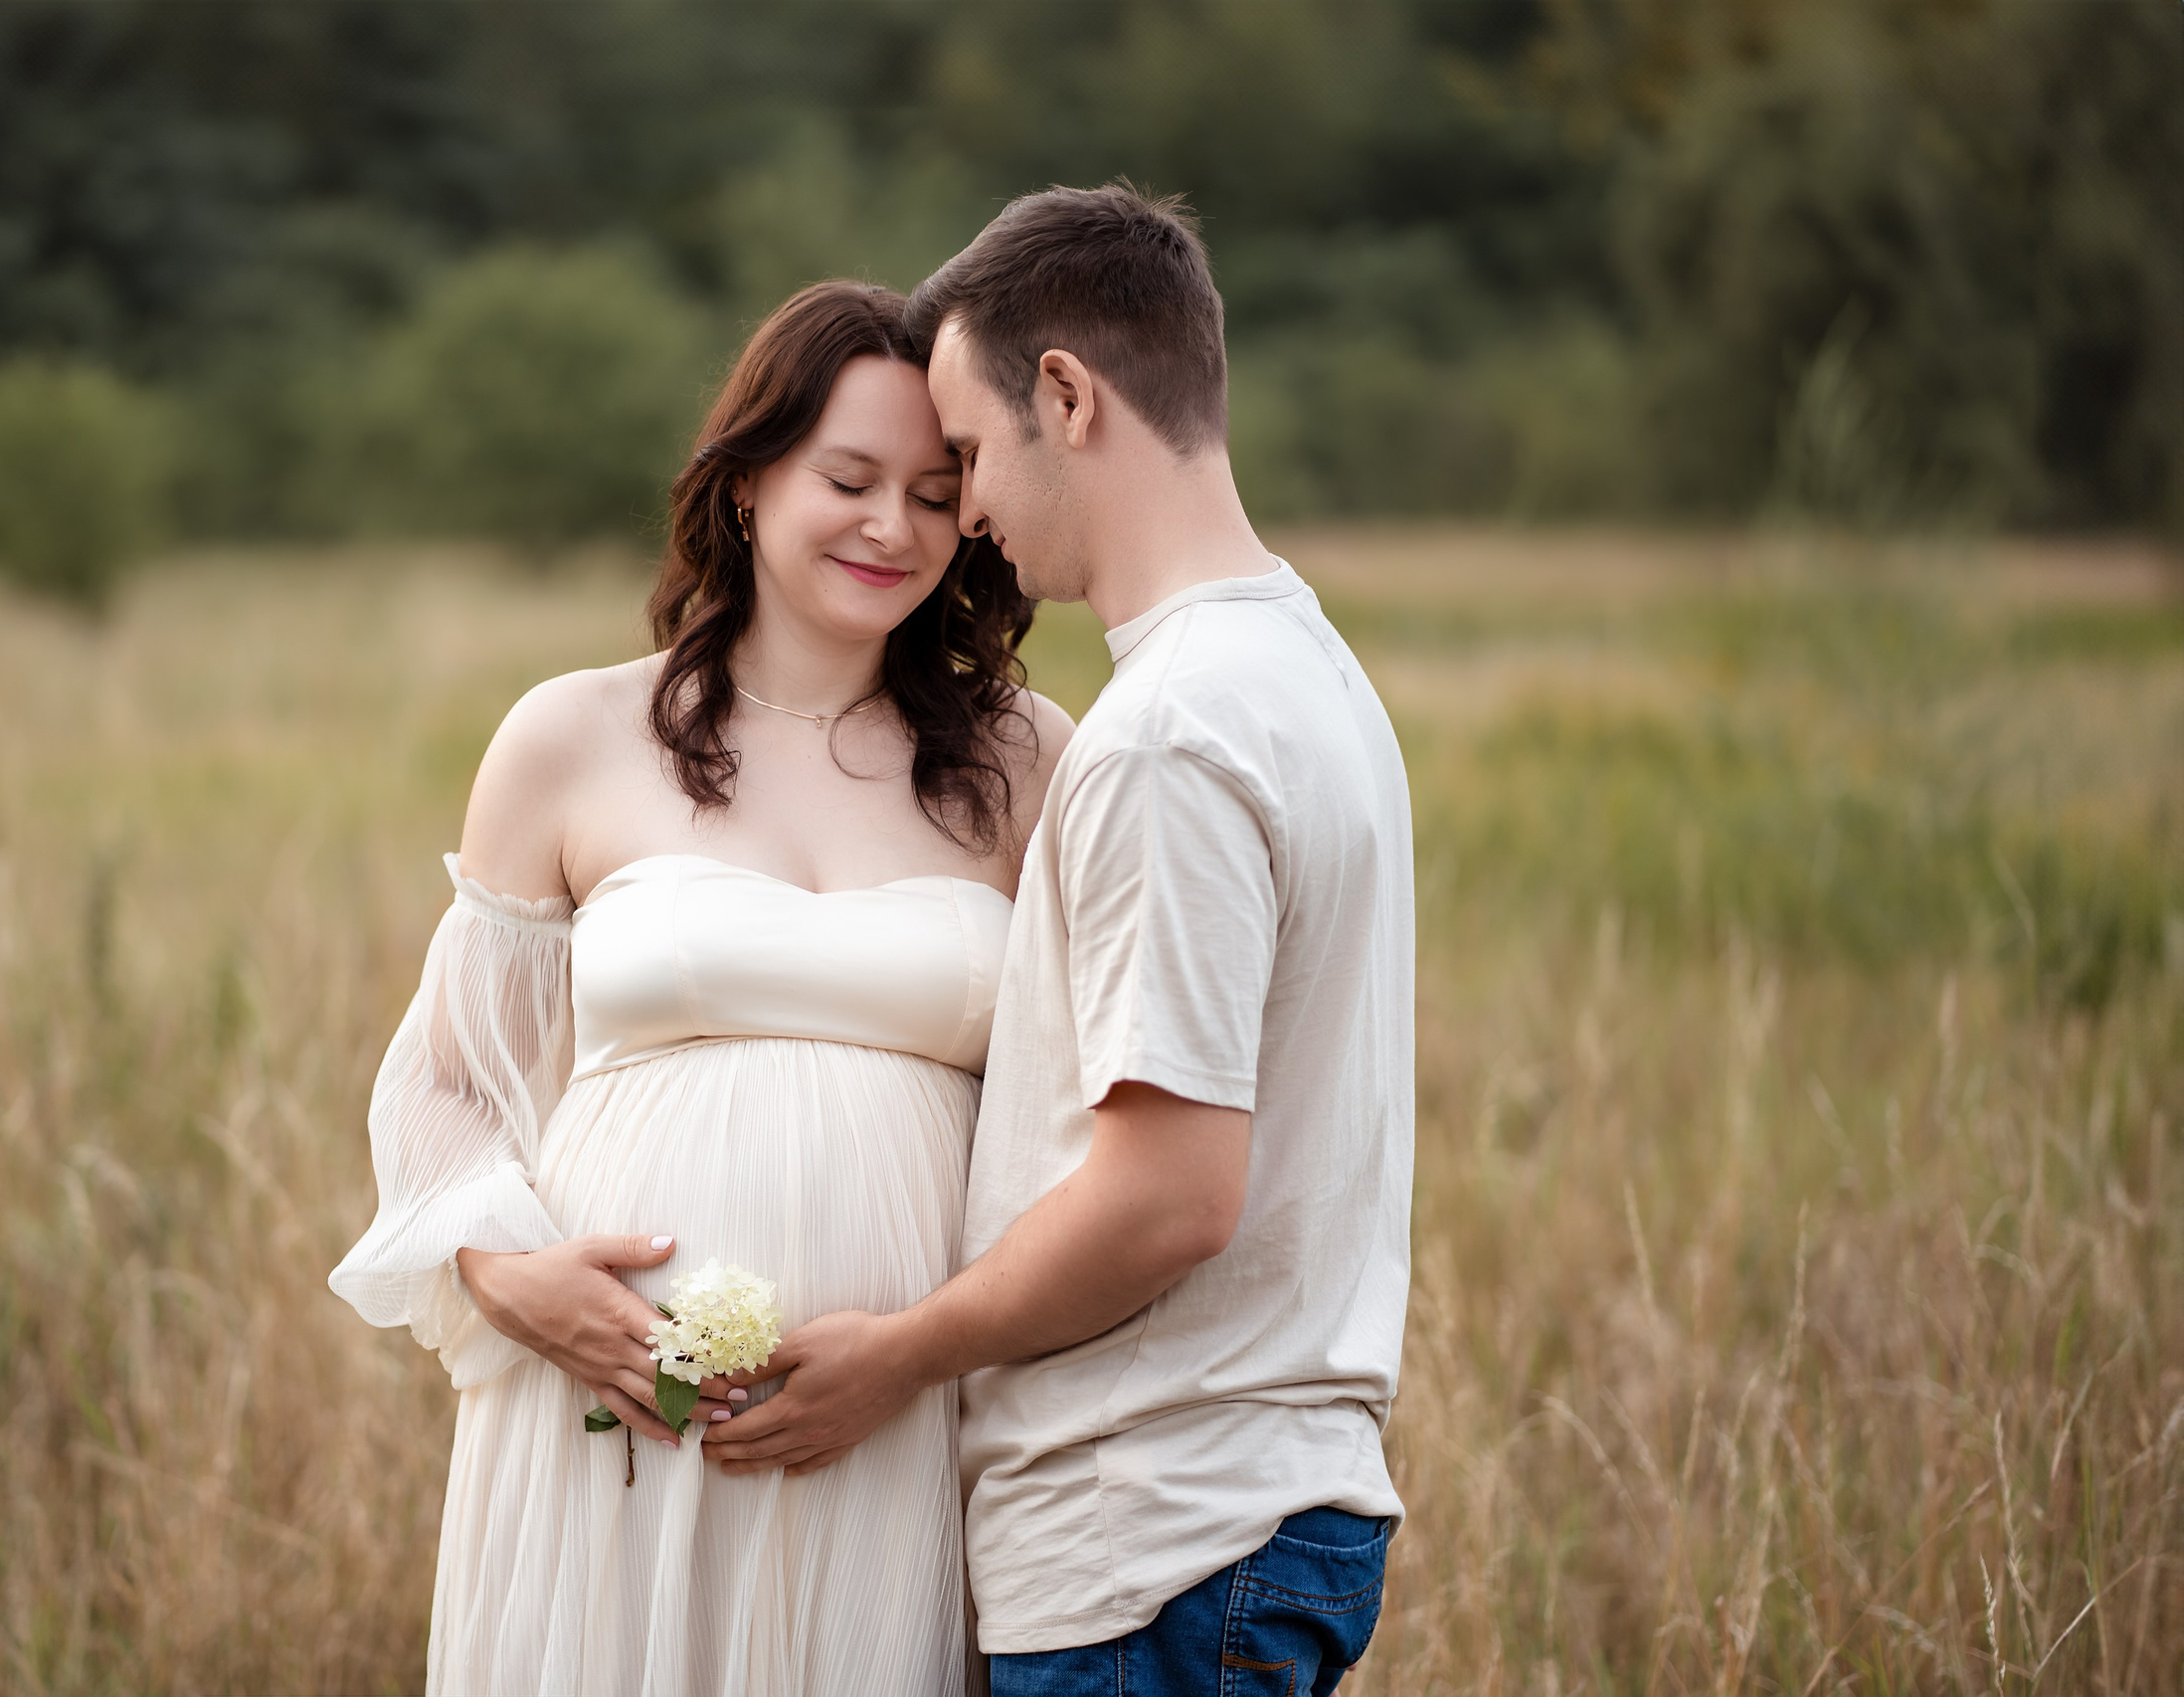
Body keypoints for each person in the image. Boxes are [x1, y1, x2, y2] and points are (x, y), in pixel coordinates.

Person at [700, 185, 1416, 1696]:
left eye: (963, 456)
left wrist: (898, 1355)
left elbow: (1166, 1197)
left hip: (1158, 1534)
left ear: (1068, 398)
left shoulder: (1168, 734)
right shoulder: (1307, 671)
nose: (962, 514)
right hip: (1235, 1509)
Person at [328, 280, 1071, 1696]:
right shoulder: (573, 736)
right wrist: (510, 1277)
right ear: (744, 484)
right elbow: (452, 1076)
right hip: (615, 1415)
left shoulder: (1027, 760)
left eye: (933, 493)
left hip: (898, 1413)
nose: (891, 529)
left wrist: (924, 1353)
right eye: (846, 479)